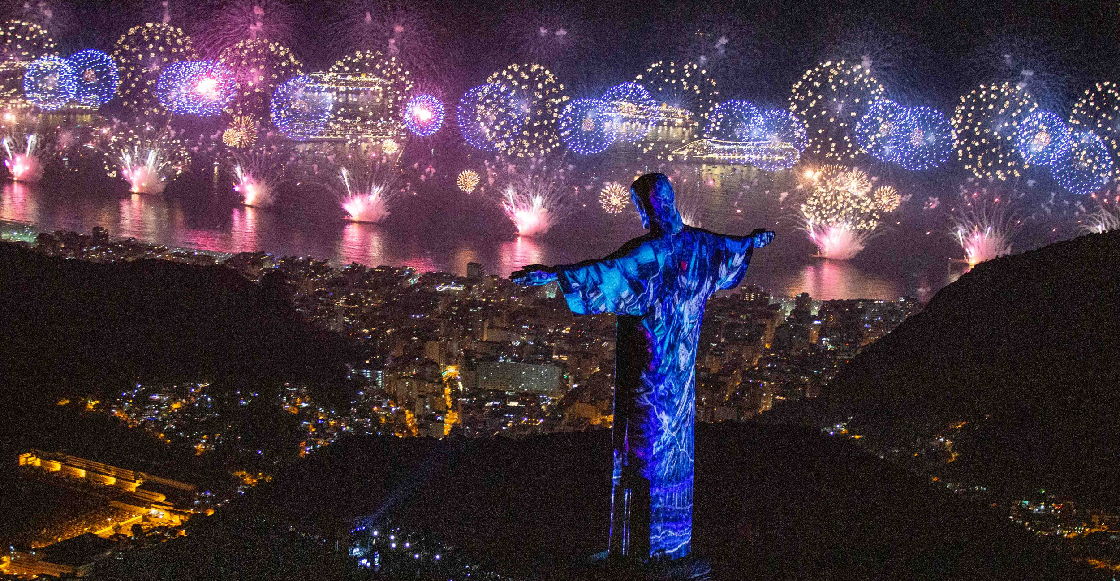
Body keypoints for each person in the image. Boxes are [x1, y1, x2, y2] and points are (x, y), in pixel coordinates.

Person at [512, 173, 773, 564]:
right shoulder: (703, 246)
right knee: (675, 452)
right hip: (682, 376)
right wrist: (754, 241)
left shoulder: (648, 254)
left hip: (647, 374)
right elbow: (733, 250)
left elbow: (604, 273)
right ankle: (671, 545)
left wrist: (552, 274)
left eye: (640, 204)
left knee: (641, 452)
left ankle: (637, 552)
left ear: (646, 206)